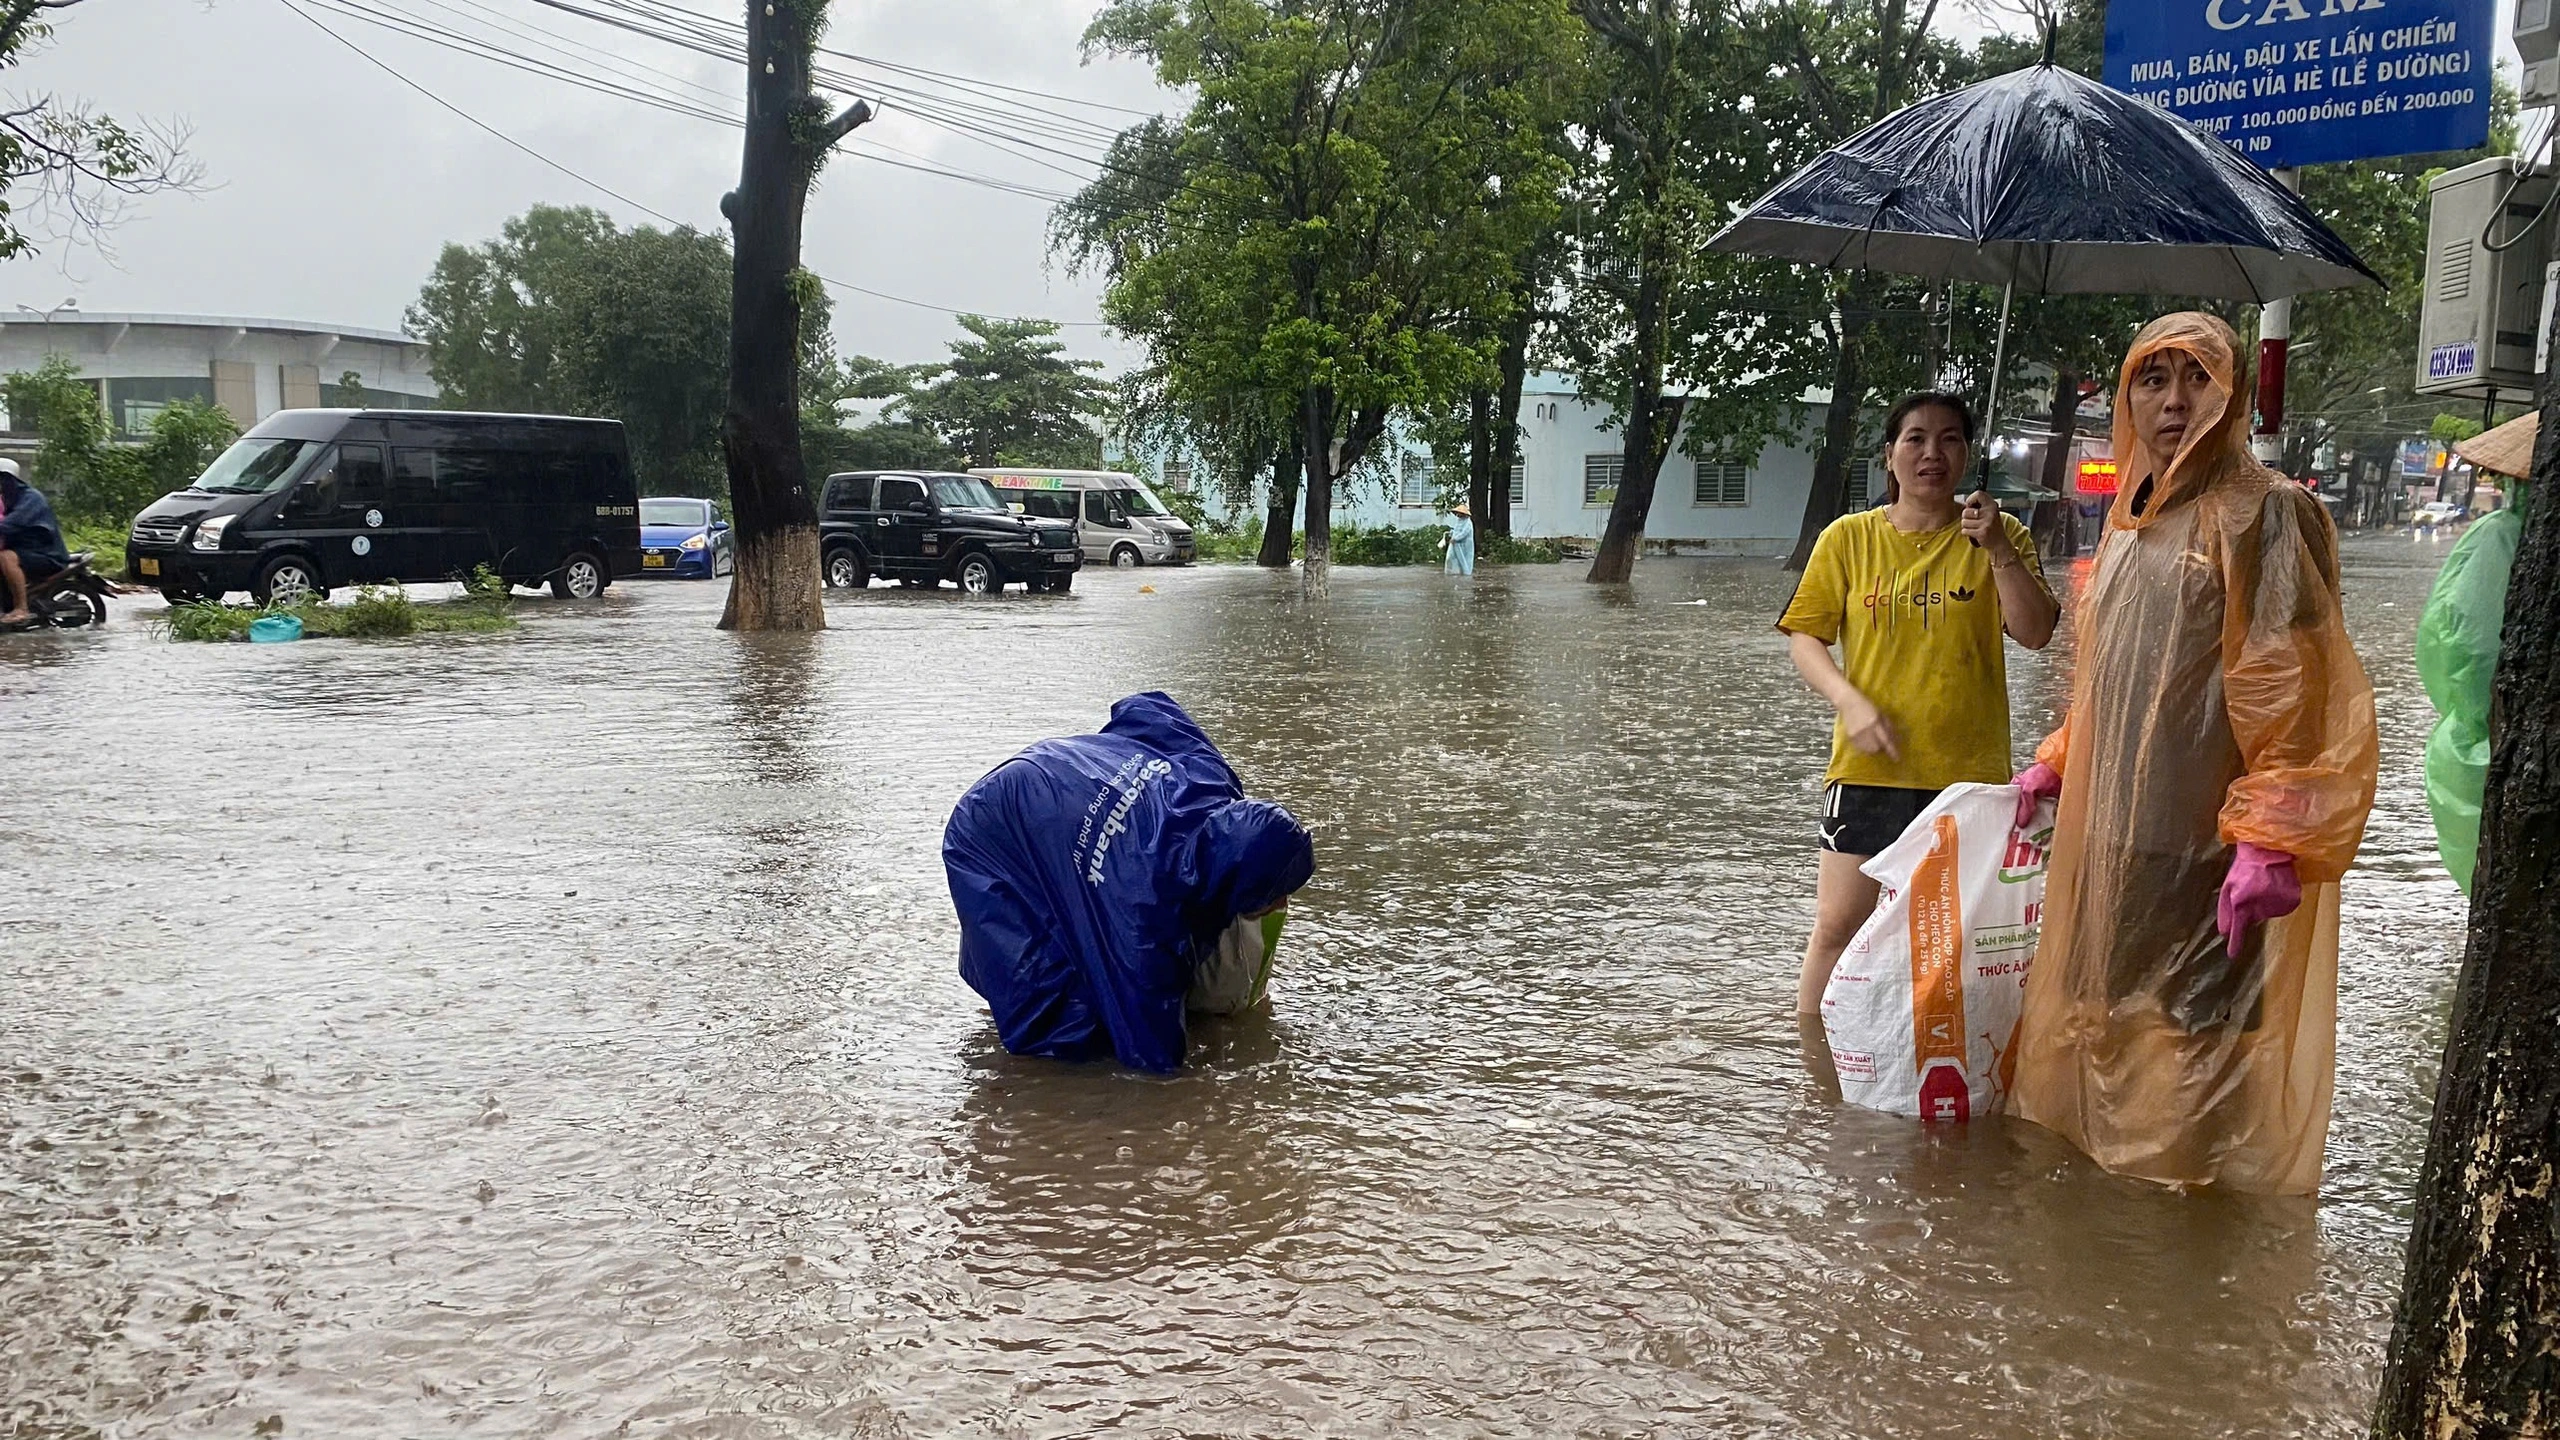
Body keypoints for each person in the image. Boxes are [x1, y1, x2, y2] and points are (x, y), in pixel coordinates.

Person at [2006, 312, 2378, 1196]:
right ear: (2128, 396)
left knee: (2192, 1059)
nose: (2173, 401)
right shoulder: (2135, 522)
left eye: (2196, 379)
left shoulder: (2269, 516)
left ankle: (2177, 1251)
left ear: (2234, 394)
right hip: (2115, 840)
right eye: (2152, 378)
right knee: (2104, 1029)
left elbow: (2293, 686)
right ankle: (2107, 1259)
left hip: (2211, 850)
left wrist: (2271, 834)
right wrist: (2059, 759)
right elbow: (2117, 682)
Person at [1776, 392, 2060, 1018]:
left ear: (1968, 454)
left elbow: (2037, 633)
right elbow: (1806, 638)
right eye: (1916, 438)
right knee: (1838, 926)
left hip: (1968, 782)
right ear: (1889, 455)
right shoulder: (1847, 539)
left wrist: (1998, 551)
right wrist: (1848, 699)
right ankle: (1816, 1065)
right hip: (1868, 771)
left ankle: (1936, 1069)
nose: (1933, 452)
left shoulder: (2001, 533)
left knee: (1954, 943)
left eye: (1951, 439)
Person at [944, 692, 1316, 1073]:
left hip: (1063, 773)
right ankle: (1034, 1094)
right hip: (987, 827)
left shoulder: (1210, 779)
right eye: (1273, 893)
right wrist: (1175, 1083)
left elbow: (1146, 707)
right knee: (1055, 1016)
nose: (1279, 903)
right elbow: (1146, 1032)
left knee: (1093, 941)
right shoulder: (1143, 905)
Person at [0, 459, 70, 628]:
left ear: (11, 480)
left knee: (6, 557)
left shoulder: (30, 498)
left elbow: (8, 524)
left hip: (47, 554)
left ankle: (21, 608)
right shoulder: (7, 500)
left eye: (2, 479)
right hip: (26, 552)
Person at [1442, 501, 1476, 575]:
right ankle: (1451, 572)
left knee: (1464, 559)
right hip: (1455, 543)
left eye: (1459, 512)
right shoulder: (1459, 521)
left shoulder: (1468, 522)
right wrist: (1451, 533)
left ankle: (1465, 573)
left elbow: (1465, 532)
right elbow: (1456, 530)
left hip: (1465, 544)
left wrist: (1456, 538)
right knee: (1450, 557)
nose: (1457, 514)